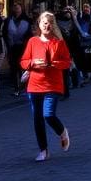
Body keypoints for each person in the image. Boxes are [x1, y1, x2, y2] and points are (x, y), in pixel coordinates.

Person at [19, 11, 72, 162]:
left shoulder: (59, 43)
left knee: (48, 114)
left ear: (53, 25)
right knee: (37, 118)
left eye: (49, 23)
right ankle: (43, 150)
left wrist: (54, 64)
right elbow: (23, 61)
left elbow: (67, 62)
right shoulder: (33, 42)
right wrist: (32, 63)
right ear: (39, 25)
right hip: (35, 84)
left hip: (52, 84)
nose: (47, 25)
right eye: (44, 23)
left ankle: (62, 132)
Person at [4, 2, 32, 96]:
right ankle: (16, 88)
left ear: (22, 8)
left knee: (23, 67)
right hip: (12, 47)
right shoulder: (9, 20)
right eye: (14, 7)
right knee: (14, 68)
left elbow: (30, 34)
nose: (16, 8)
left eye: (18, 7)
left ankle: (24, 86)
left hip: (23, 47)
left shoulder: (27, 20)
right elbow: (4, 33)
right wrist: (7, 43)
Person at [57, 7, 82, 95]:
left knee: (71, 66)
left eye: (68, 12)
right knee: (69, 67)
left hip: (72, 47)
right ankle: (70, 84)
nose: (67, 13)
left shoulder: (73, 22)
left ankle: (73, 83)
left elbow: (79, 33)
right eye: (65, 11)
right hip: (64, 47)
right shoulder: (58, 23)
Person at [77, 2, 91, 81]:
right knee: (86, 59)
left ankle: (89, 74)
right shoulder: (81, 19)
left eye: (87, 8)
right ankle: (87, 74)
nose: (86, 9)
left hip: (90, 43)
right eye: (84, 8)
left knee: (90, 59)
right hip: (85, 43)